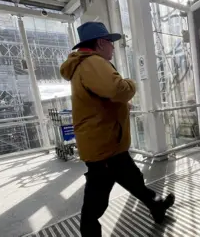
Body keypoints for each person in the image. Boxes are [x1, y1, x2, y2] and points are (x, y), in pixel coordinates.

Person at [60, 22, 174, 236]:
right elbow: (116, 88)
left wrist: (120, 105)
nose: (113, 48)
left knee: (133, 179)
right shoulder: (93, 62)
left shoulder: (83, 64)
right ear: (101, 43)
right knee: (97, 199)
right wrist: (131, 84)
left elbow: (99, 98)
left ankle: (156, 205)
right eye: (111, 43)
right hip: (102, 146)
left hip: (108, 143)